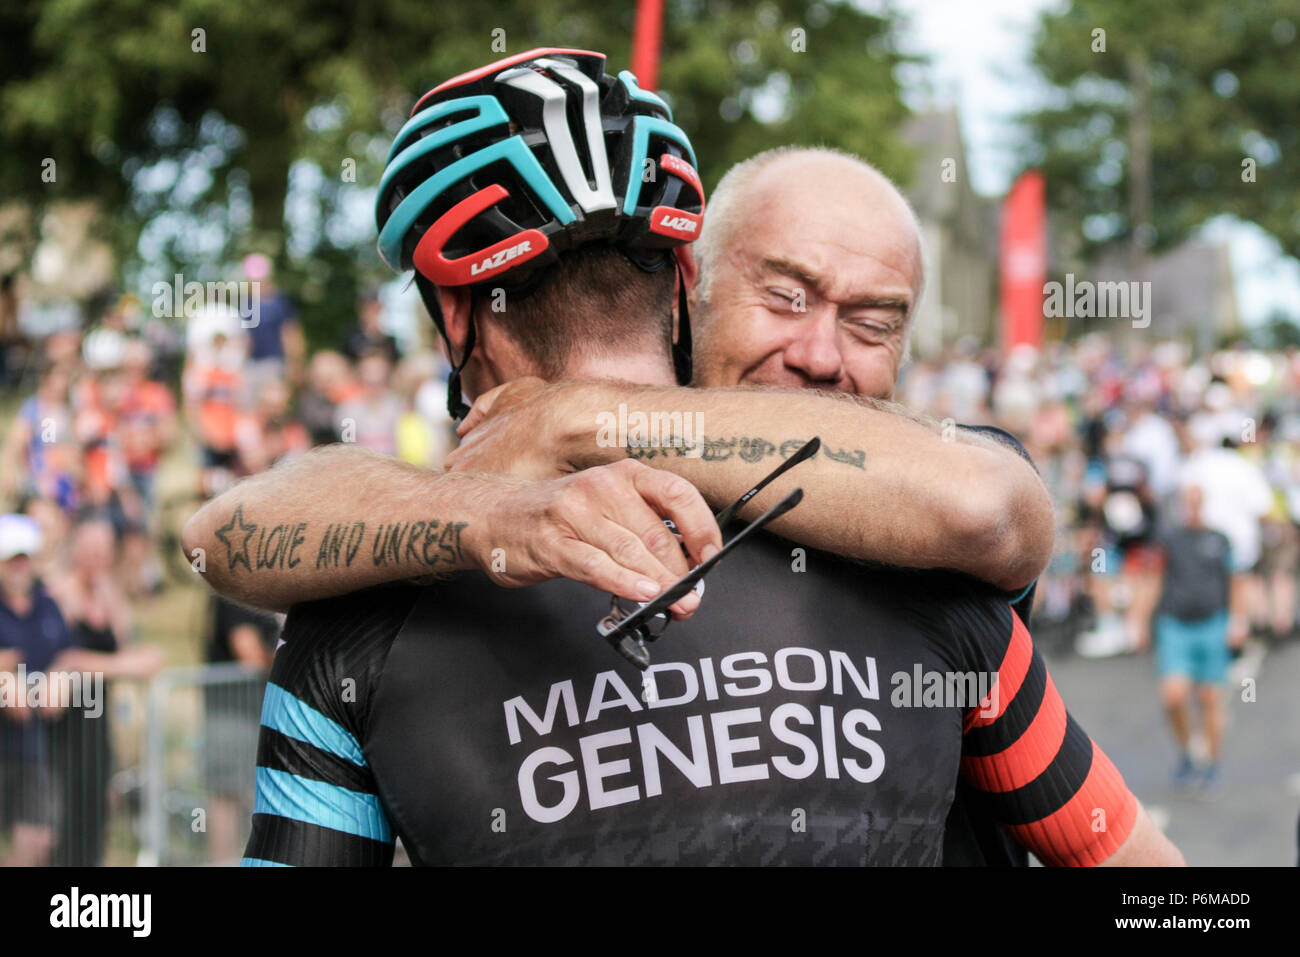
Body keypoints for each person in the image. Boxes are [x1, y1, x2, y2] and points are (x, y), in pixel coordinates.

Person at [230, 50, 1178, 866]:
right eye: (788, 295)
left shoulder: (351, 635)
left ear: (456, 315)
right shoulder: (917, 565)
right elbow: (1135, 862)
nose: (817, 355)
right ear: (691, 285)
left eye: (869, 321)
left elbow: (225, 536)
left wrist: (564, 427)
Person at [1153, 482, 1246, 795]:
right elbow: (1154, 578)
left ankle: (1212, 765)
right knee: (1173, 696)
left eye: (1196, 501)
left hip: (1212, 624)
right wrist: (1139, 619)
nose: (1191, 507)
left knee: (1209, 697)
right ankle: (1187, 754)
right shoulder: (1171, 539)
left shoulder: (1219, 540)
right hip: (1175, 624)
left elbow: (1236, 581)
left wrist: (1238, 620)